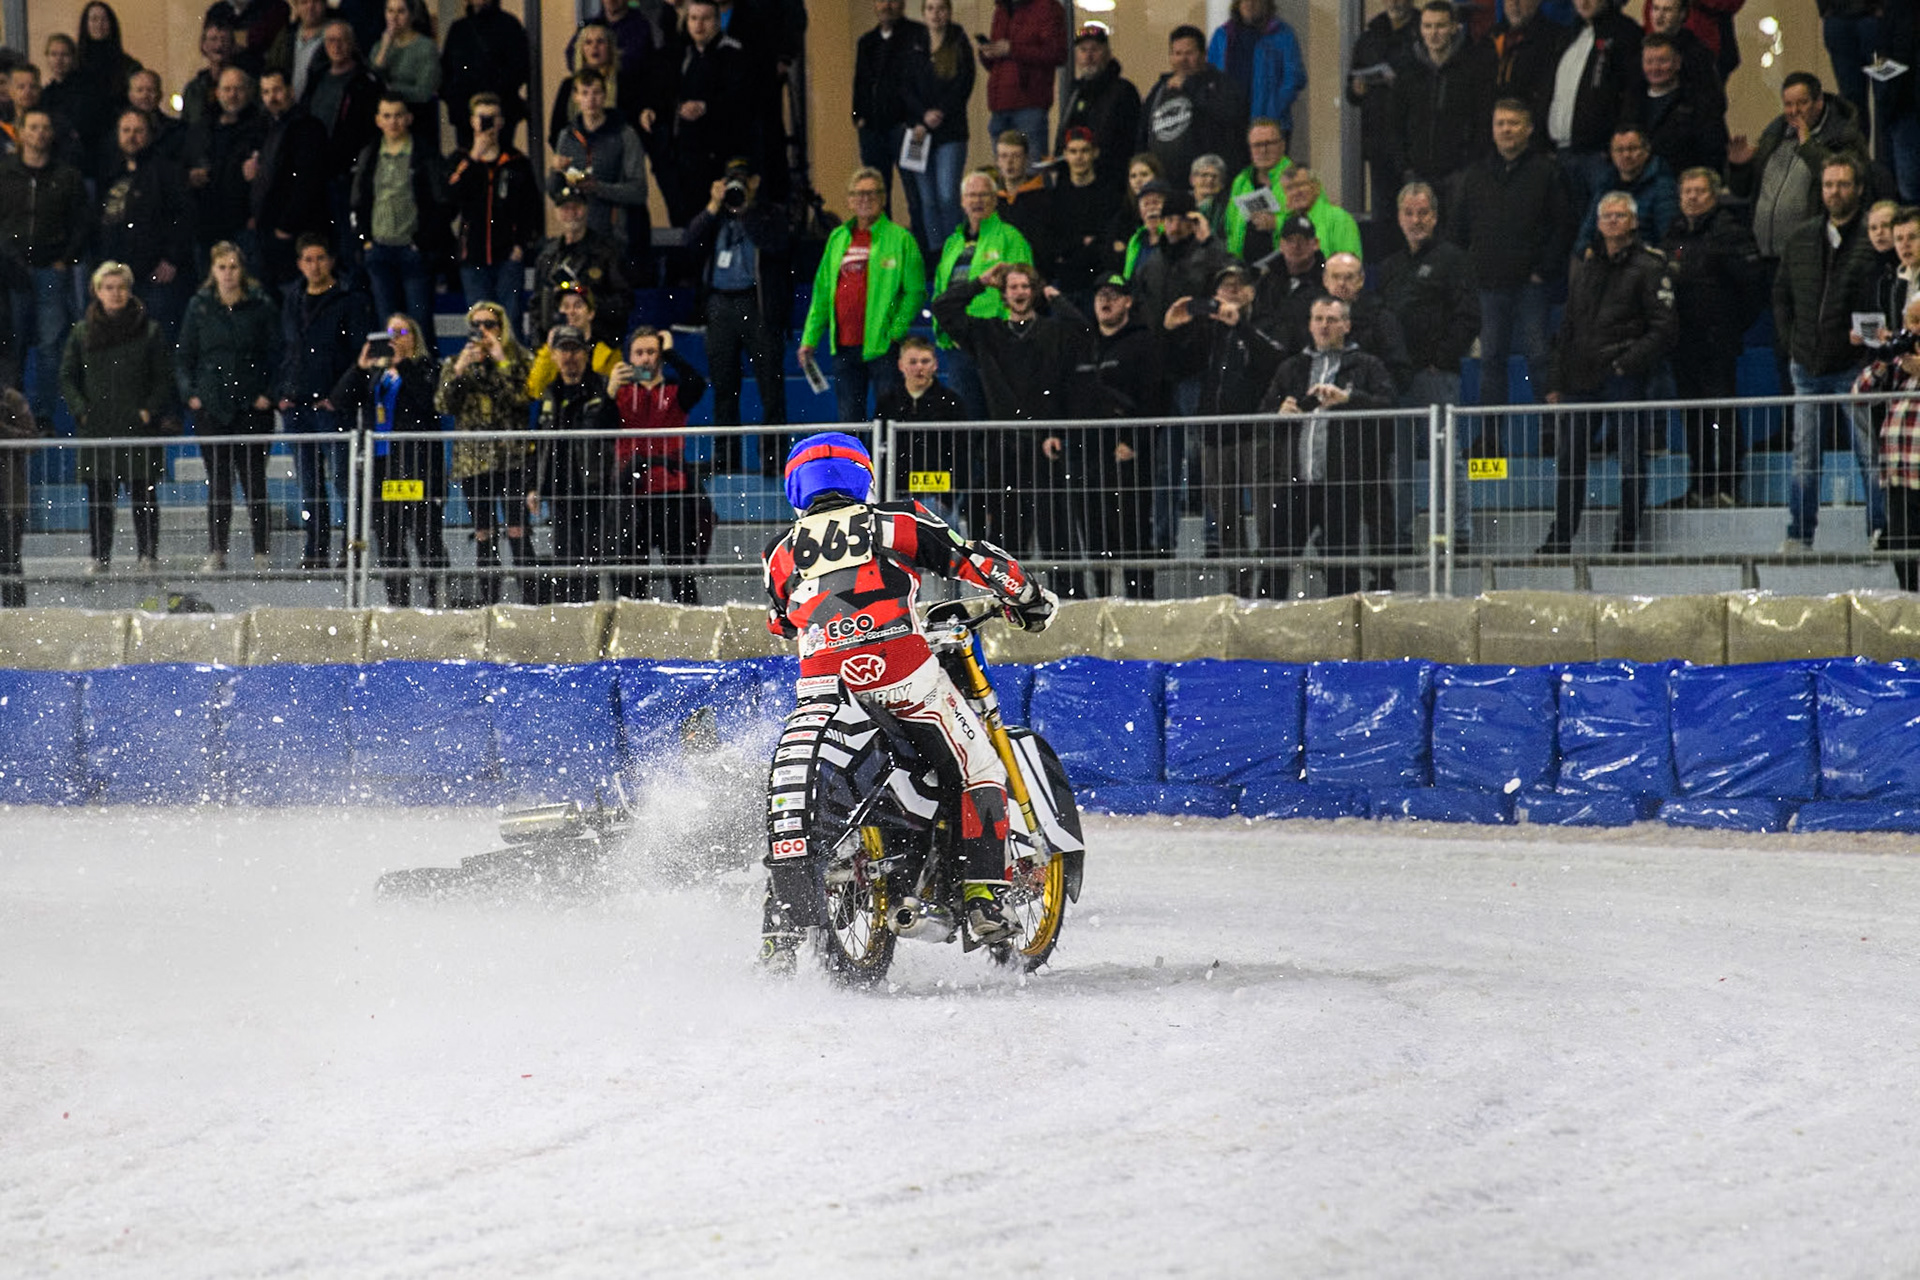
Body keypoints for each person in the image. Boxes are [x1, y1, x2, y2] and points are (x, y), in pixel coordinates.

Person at [761, 431, 1057, 951]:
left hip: (824, 687)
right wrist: (1026, 594)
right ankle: (984, 897)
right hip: (900, 670)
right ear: (862, 477)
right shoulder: (890, 520)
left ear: (795, 486)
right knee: (978, 766)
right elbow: (970, 558)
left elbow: (781, 624)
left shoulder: (779, 552)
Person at [1536, 191, 1677, 555]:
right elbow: (1567, 326)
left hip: (1624, 377)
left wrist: (1626, 363)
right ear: (1597, 223)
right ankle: (1561, 536)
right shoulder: (1587, 266)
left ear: (1632, 221)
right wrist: (1556, 378)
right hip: (1580, 378)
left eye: (1620, 216)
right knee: (1570, 460)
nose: (1613, 222)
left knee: (1630, 460)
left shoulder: (1649, 265)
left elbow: (1663, 327)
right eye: (1607, 216)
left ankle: (1626, 537)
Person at [930, 261, 1090, 583]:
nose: (1019, 292)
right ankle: (1008, 596)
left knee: (1056, 531)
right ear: (1003, 294)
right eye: (1013, 287)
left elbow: (1083, 330)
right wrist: (979, 283)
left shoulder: (1053, 332)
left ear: (1034, 291)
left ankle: (1069, 598)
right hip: (1003, 447)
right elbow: (943, 308)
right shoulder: (987, 333)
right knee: (1007, 533)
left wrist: (1055, 297)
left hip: (1046, 445)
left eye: (1025, 286)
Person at [1776, 154, 1884, 552]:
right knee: (1803, 455)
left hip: (1854, 367)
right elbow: (1781, 296)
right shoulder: (1801, 237)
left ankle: (1879, 529)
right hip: (1806, 364)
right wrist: (1792, 342)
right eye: (1828, 184)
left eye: (1842, 184)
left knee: (1869, 454)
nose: (1834, 192)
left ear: (1857, 189)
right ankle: (1799, 534)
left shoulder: (1871, 240)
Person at [1259, 295, 1399, 598]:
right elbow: (1263, 415)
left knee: (1342, 568)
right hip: (1295, 481)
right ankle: (1264, 629)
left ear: (1347, 325)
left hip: (1341, 483)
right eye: (1318, 319)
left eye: (1332, 320)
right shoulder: (1292, 367)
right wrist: (1278, 413)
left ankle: (1345, 636)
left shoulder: (1367, 365)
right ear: (1309, 324)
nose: (1324, 326)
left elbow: (1388, 406)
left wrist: (1349, 400)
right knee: (1273, 562)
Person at [1166, 262, 1288, 596]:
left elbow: (1277, 359)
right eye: (1225, 285)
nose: (1232, 290)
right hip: (1214, 438)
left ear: (1251, 291)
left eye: (1239, 284)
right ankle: (1238, 589)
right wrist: (1174, 328)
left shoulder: (1266, 322)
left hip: (1256, 436)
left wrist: (1243, 326)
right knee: (1226, 523)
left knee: (1267, 521)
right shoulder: (1208, 330)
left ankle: (1271, 590)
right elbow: (1177, 367)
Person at [1451, 99, 1574, 418]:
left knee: (1539, 356)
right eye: (1500, 123)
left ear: (1529, 129)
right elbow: (1459, 228)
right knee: (1491, 359)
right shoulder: (1475, 175)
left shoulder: (1547, 172)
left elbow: (1563, 226)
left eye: (1513, 123)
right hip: (1489, 284)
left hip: (1531, 284)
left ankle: (1552, 431)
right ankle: (1490, 439)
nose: (1506, 129)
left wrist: (1544, 270)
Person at [1378, 183, 1480, 552]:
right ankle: (1401, 536)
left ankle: (1461, 534)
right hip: (1398, 377)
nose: (1416, 220)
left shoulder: (1453, 259)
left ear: (1435, 217)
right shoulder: (1390, 266)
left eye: (1423, 213)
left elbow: (1469, 317)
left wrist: (1440, 358)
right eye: (1409, 213)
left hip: (1436, 376)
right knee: (1399, 462)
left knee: (1446, 458)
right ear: (1399, 217)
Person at [60, 261, 175, 576]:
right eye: (108, 287)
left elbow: (163, 378)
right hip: (97, 429)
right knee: (99, 501)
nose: (115, 293)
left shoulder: (149, 331)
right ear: (97, 291)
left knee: (144, 497)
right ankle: (99, 557)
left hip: (138, 429)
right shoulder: (81, 333)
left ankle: (147, 555)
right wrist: (81, 410)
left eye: (121, 287)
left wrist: (148, 409)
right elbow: (67, 376)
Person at [1659, 167, 1765, 510]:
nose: (1692, 197)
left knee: (1723, 416)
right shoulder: (1673, 232)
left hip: (1717, 341)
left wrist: (1729, 326)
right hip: (1682, 342)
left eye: (1700, 191)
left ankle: (1728, 486)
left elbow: (1752, 290)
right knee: (1694, 418)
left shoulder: (1729, 232)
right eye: (1686, 191)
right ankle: (1700, 486)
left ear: (1714, 195)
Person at [177, 242, 280, 572]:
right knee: (218, 481)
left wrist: (270, 393)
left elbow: (278, 352)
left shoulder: (261, 305)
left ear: (242, 269)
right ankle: (217, 551)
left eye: (233, 266)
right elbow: (184, 356)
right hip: (212, 405)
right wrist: (191, 394)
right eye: (222, 267)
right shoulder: (199, 306)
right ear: (212, 270)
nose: (228, 273)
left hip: (253, 404)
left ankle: (262, 550)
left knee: (254, 480)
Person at [799, 168, 927, 425]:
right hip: (844, 346)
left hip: (884, 348)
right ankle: (855, 467)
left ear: (882, 198)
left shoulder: (901, 239)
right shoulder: (837, 238)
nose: (864, 199)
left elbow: (915, 292)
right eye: (858, 194)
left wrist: (895, 332)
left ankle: (888, 468)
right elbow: (822, 294)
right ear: (849, 200)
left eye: (871, 193)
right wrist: (809, 339)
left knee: (889, 423)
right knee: (849, 423)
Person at [276, 233, 373, 570]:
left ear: (330, 261)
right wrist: (283, 392)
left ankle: (351, 549)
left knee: (344, 481)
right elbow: (285, 348)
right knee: (309, 483)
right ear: (300, 263)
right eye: (308, 259)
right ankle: (315, 549)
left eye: (320, 258)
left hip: (334, 406)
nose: (314, 266)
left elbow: (360, 356)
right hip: (298, 405)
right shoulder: (292, 299)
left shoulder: (349, 299)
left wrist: (338, 397)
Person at [687, 159, 790, 467]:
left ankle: (773, 457)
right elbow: (689, 243)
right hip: (719, 304)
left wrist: (746, 210)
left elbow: (776, 244)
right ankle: (726, 457)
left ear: (754, 181)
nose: (736, 185)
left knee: (770, 386)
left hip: (756, 304)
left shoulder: (770, 213)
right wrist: (712, 205)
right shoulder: (716, 216)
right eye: (731, 179)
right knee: (723, 386)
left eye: (742, 179)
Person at [436, 299, 536, 604]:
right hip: (473, 462)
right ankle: (490, 606)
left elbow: (522, 397)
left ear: (502, 327)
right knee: (484, 533)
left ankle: (532, 604)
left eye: (489, 324)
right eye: (476, 325)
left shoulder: (519, 358)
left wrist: (501, 360)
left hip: (512, 458)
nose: (482, 331)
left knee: (518, 531)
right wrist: (461, 369)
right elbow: (443, 405)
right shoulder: (456, 362)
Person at [0, 107, 89, 431]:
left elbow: (81, 222)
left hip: (52, 269)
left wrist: (66, 258)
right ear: (21, 133)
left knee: (52, 344)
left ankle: (42, 414)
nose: (39, 133)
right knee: (14, 342)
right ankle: (12, 412)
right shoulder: (4, 172)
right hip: (11, 271)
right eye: (33, 127)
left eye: (45, 127)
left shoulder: (67, 176)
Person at [1074, 272, 1163, 597]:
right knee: (1095, 536)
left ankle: (1140, 604)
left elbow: (1155, 398)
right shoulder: (1084, 345)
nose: (1105, 300)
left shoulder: (1143, 343)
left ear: (1128, 301)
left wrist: (1136, 442)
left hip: (1127, 458)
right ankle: (1100, 602)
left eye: (1114, 294)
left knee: (1133, 534)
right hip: (1088, 455)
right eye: (1100, 295)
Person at [1728, 73, 1869, 270]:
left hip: (1811, 258)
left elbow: (1846, 183)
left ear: (1818, 102)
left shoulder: (1843, 136)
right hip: (1765, 256)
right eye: (1788, 104)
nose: (1794, 111)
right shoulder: (1773, 136)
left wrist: (1808, 146)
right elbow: (1741, 191)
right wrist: (1739, 166)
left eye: (1802, 103)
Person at [613, 326, 711, 603]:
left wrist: (671, 353)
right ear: (630, 357)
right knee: (632, 576)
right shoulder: (619, 393)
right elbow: (600, 420)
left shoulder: (674, 391)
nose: (645, 359)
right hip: (631, 492)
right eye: (639, 353)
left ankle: (691, 629)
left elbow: (696, 383)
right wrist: (609, 389)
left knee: (681, 572)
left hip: (672, 491)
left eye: (651, 352)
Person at [529, 323, 622, 603]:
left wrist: (609, 398)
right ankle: (570, 618)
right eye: (563, 350)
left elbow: (610, 426)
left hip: (595, 488)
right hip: (560, 491)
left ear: (586, 353)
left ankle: (593, 615)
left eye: (575, 350)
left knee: (594, 559)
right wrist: (534, 486)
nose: (570, 356)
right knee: (565, 560)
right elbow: (539, 445)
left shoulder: (601, 387)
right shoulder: (549, 393)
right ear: (555, 355)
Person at [932, 168, 1034, 420]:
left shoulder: (1010, 237)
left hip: (993, 342)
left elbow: (1023, 288)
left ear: (995, 199)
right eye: (971, 195)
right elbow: (940, 289)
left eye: (983, 195)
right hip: (958, 344)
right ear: (962, 201)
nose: (977, 201)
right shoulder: (952, 242)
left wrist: (1004, 331)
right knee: (965, 421)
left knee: (998, 418)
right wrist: (943, 332)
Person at [350, 94, 451, 345]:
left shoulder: (425, 153)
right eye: (387, 116)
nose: (392, 122)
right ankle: (394, 380)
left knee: (420, 326)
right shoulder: (370, 154)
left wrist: (424, 241)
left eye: (397, 115)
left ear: (408, 118)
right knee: (388, 327)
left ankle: (424, 378)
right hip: (379, 249)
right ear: (378, 120)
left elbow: (443, 201)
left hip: (413, 250)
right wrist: (365, 240)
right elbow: (357, 200)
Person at [448, 92, 542, 334]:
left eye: (492, 118)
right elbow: (449, 196)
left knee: (510, 321)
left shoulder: (515, 161)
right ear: (472, 121)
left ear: (501, 122)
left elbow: (531, 207)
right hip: (474, 255)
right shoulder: (461, 159)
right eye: (482, 118)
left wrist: (521, 244)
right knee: (479, 322)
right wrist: (474, 158)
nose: (487, 124)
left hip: (507, 254)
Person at [98, 110, 193, 341]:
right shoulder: (108, 172)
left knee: (158, 339)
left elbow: (185, 216)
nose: (132, 136)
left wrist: (171, 258)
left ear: (150, 135)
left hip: (155, 272)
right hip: (118, 274)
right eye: (126, 130)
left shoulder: (166, 171)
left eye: (138, 131)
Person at [547, 71, 650, 275]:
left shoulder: (624, 134)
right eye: (585, 93)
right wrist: (556, 172)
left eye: (596, 93)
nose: (591, 100)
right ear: (576, 97)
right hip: (579, 234)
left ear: (605, 95)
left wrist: (598, 187)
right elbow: (555, 193)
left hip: (618, 234)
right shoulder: (567, 136)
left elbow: (638, 191)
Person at [1545, 0, 1643, 208]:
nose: (1584, 1)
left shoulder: (1625, 33)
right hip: (1562, 151)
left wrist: (1618, 142)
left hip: (1599, 155)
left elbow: (1633, 92)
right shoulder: (1567, 35)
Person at [300, 20, 382, 265]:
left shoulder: (365, 81)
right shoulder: (317, 78)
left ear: (352, 43)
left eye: (342, 40)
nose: (336, 46)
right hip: (317, 172)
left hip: (348, 173)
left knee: (349, 241)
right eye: (330, 41)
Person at [1390, 1, 1493, 192]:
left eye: (1440, 26)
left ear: (1454, 28)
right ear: (1420, 29)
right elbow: (1395, 123)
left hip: (1459, 175)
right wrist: (1404, 167)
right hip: (1416, 176)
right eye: (1427, 26)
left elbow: (1483, 123)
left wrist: (1469, 167)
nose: (1433, 33)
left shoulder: (1472, 71)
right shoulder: (1408, 73)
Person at [246, 69, 331, 300]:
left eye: (277, 90)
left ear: (291, 92)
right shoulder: (266, 127)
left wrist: (287, 225)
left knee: (296, 295)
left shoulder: (308, 127)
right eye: (265, 92)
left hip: (293, 231)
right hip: (269, 231)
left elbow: (307, 181)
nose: (271, 97)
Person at [902, 0, 976, 254]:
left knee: (947, 195)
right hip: (918, 132)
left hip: (950, 131)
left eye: (941, 8)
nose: (936, 14)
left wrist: (940, 111)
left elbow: (964, 83)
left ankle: (956, 249)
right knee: (927, 200)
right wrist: (922, 116)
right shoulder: (914, 44)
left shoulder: (959, 41)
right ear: (923, 13)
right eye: (930, 8)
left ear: (949, 12)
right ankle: (936, 252)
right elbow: (905, 87)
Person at [1140, 25, 1250, 191]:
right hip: (1167, 185)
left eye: (1189, 53)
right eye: (1177, 53)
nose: (1183, 59)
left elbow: (1230, 114)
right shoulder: (1161, 88)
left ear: (1203, 54)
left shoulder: (1221, 85)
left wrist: (1188, 86)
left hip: (1209, 185)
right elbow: (1143, 131)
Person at [851, 0, 929, 233]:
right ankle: (882, 245)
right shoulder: (866, 42)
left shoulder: (917, 34)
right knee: (875, 191)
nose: (887, 5)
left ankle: (923, 250)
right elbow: (859, 83)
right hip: (873, 129)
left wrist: (917, 119)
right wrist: (857, 116)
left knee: (915, 192)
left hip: (908, 128)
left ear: (903, 4)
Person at [1859, 296, 1920, 590]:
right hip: (1898, 473)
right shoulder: (1897, 361)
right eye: (1913, 321)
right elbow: (1859, 391)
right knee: (1902, 548)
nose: (1917, 329)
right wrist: (1885, 358)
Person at [875, 334, 968, 524]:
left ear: (935, 364)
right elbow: (878, 450)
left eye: (925, 361)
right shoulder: (887, 402)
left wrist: (948, 498)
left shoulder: (951, 402)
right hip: (896, 495)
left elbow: (962, 451)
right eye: (913, 361)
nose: (919, 367)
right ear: (901, 365)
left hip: (939, 497)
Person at [186, 67, 266, 274]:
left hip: (243, 222)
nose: (232, 95)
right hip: (206, 223)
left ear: (249, 92)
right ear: (218, 92)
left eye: (238, 89)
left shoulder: (261, 127)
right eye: (227, 89)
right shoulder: (201, 128)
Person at [530, 186, 631, 349]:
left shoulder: (607, 252)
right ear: (556, 212)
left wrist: (585, 296)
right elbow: (536, 306)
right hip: (556, 345)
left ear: (586, 209)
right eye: (565, 208)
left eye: (576, 207)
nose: (571, 213)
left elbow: (624, 303)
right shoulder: (547, 256)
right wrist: (539, 344)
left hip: (598, 343)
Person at [1349, 0, 1420, 217]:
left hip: (1414, 141)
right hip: (1379, 141)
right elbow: (1351, 89)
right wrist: (1356, 89)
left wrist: (1400, 84)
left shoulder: (1421, 32)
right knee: (1384, 217)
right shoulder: (1369, 37)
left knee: (1416, 211)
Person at [1053, 24, 1138, 193]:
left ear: (1107, 53)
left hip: (1111, 183)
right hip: (1074, 183)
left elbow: (1132, 140)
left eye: (1095, 50)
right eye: (1083, 50)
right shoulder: (1075, 92)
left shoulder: (1123, 91)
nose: (1088, 56)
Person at [1207, 0, 1304, 149]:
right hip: (1230, 127)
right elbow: (1210, 77)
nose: (1250, 4)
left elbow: (1295, 78)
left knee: (1272, 172)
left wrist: (1273, 112)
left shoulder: (1283, 35)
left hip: (1271, 127)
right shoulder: (1223, 35)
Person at [1572, 124, 1678, 255]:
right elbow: (1586, 234)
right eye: (1619, 150)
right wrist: (1586, 250)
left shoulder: (1663, 187)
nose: (1626, 155)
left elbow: (1670, 240)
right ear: (1612, 154)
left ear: (1646, 151)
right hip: (1606, 261)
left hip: (1646, 263)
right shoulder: (1605, 185)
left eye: (1632, 149)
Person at [1631, 32, 1726, 177]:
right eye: (1649, 62)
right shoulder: (1631, 103)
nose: (1655, 68)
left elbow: (1712, 150)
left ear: (1677, 62)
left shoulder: (1698, 103)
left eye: (1662, 61)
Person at [1044, 127, 1123, 302]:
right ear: (1065, 154)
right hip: (1065, 284)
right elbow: (1052, 243)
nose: (1079, 157)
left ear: (1095, 153)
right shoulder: (1057, 196)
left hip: (1098, 285)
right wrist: (1082, 241)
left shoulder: (1109, 194)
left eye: (1084, 150)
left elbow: (1107, 241)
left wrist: (1072, 247)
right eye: (1073, 151)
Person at [440, 0, 530, 150]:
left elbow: (519, 69)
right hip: (464, 113)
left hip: (501, 110)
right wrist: (453, 97)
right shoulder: (459, 29)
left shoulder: (509, 25)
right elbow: (446, 69)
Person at [980, 0, 1067, 152]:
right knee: (1005, 171)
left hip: (1030, 102)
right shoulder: (1001, 9)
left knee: (1033, 170)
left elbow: (1056, 53)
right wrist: (988, 53)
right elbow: (995, 65)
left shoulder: (1047, 8)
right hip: (999, 103)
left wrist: (1013, 49)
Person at [369, 0, 440, 150]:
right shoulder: (379, 45)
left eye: (400, 12)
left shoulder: (426, 47)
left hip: (417, 117)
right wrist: (385, 47)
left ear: (412, 15)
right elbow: (372, 81)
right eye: (390, 11)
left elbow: (424, 92)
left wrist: (390, 89)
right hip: (386, 119)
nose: (394, 17)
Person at [1221, 118, 1293, 265]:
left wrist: (1277, 223)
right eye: (1257, 145)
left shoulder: (1298, 178)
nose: (1263, 150)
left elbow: (1317, 221)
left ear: (1282, 145)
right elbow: (1229, 228)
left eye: (1269, 143)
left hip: (1284, 267)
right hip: (1244, 269)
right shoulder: (1241, 182)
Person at [0, 385, 39, 607]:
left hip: (8, 496)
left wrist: (4, 431)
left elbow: (32, 441)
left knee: (9, 559)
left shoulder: (11, 399)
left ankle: (16, 614)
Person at [993, 129, 1053, 266]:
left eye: (1016, 156)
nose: (1009, 162)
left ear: (1026, 159)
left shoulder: (1042, 198)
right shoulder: (993, 201)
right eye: (1003, 156)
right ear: (997, 161)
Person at [1280, 166, 1363, 264]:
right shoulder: (1286, 222)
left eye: (1301, 185)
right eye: (1289, 188)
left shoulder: (1338, 218)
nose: (1296, 192)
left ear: (1316, 187)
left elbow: (1349, 265)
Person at [204, 0, 290, 78]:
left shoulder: (276, 7)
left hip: (258, 79)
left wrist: (234, 39)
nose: (220, 43)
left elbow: (257, 39)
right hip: (222, 78)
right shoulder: (216, 10)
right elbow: (208, 46)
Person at [1190, 154, 1230, 240]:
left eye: (1214, 176)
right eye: (1204, 175)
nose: (1209, 180)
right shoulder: (1178, 203)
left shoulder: (1228, 208)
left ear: (1222, 183)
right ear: (1192, 179)